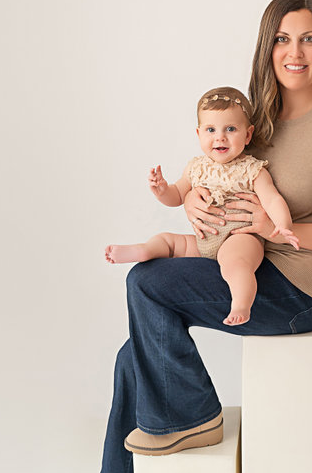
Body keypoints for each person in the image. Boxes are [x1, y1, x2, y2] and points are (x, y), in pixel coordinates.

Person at [85, 0, 312, 473]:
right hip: (244, 261)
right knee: (137, 351)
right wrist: (192, 197)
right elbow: (220, 168)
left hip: (301, 291)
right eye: (282, 39)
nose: (295, 52)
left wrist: (281, 231)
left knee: (146, 282)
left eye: (309, 38)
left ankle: (192, 418)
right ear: (266, 47)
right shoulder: (258, 119)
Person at [104, 86, 299, 326]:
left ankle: (241, 303)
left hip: (240, 238)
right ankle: (144, 251)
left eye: (230, 129)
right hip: (204, 240)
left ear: (248, 135)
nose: (220, 137)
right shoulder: (196, 167)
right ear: (198, 134)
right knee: (167, 241)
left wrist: (283, 224)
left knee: (235, 264)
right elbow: (177, 195)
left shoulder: (252, 170)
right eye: (211, 130)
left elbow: (272, 199)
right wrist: (162, 190)